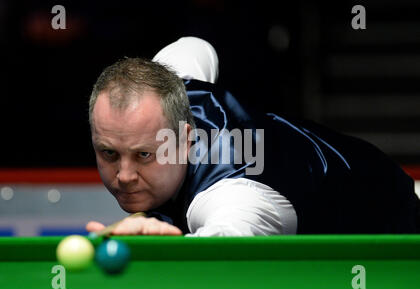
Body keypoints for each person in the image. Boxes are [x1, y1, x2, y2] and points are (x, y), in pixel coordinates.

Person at [86, 37, 420, 236]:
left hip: (387, 220)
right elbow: (194, 47)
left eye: (144, 155)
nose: (124, 176)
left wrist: (163, 244)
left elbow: (223, 248)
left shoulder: (236, 196)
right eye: (109, 154)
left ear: (184, 139)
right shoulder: (173, 88)